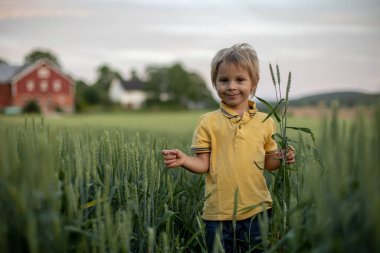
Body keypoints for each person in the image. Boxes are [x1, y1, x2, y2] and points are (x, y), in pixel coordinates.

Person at [161, 43, 295, 253]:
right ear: (215, 83)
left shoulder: (266, 121)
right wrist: (185, 160)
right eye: (224, 80)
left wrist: (282, 158)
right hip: (218, 214)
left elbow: (269, 164)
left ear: (253, 84)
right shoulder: (208, 122)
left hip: (257, 210)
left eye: (240, 79)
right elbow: (203, 164)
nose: (231, 86)